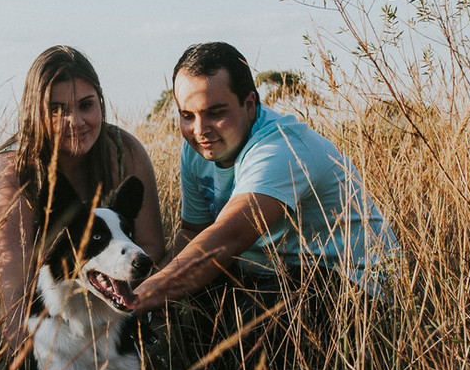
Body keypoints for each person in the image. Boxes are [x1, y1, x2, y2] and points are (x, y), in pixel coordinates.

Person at [130, 41, 399, 328]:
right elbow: (194, 232)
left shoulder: (280, 148)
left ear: (249, 104)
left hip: (351, 285)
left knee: (252, 317)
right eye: (187, 116)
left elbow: (228, 238)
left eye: (216, 113)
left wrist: (137, 300)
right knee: (197, 310)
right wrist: (147, 287)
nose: (200, 129)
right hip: (271, 273)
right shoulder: (197, 148)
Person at [0, 45, 165, 353]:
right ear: (35, 114)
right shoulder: (10, 173)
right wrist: (23, 366)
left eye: (86, 105)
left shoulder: (123, 152)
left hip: (101, 283)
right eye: (57, 110)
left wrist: (109, 286)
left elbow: (151, 246)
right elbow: (13, 285)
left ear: (100, 102)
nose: (75, 121)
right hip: (17, 291)